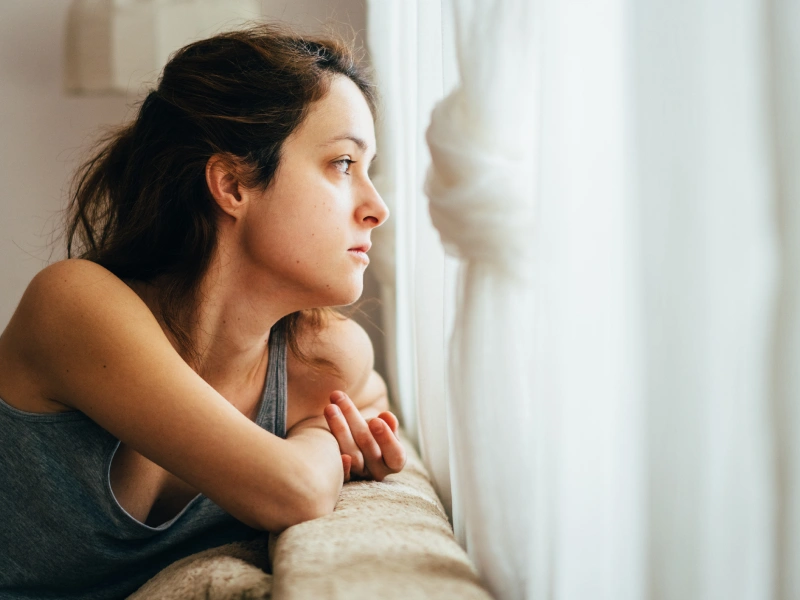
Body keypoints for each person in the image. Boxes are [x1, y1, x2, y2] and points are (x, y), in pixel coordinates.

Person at [0, 23, 405, 599]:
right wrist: (320, 438)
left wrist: (321, 423)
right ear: (234, 184)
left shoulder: (323, 358)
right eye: (343, 163)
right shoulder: (72, 304)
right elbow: (294, 490)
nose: (377, 207)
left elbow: (371, 403)